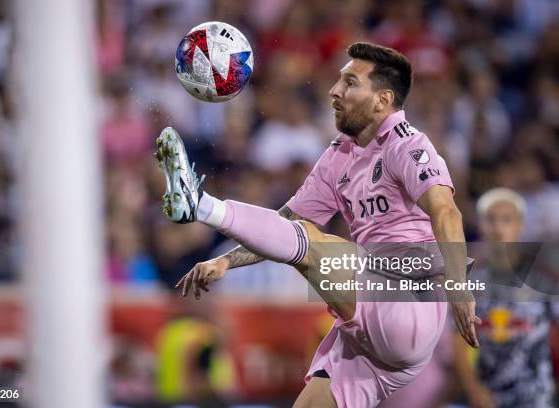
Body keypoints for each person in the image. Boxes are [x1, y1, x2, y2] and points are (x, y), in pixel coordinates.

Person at [156, 42, 479, 407]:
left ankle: (199, 204)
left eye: (350, 82)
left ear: (382, 99)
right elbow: (283, 226)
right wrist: (225, 262)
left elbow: (447, 212)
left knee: (310, 241)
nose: (334, 90)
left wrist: (460, 291)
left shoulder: (408, 146)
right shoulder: (339, 155)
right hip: (367, 344)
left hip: (408, 302)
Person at [454, 188, 559, 408]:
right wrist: (474, 389)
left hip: (536, 395)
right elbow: (456, 339)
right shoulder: (467, 281)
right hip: (487, 395)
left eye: (506, 220)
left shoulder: (544, 279)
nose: (498, 228)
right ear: (480, 225)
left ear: (520, 225)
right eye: (490, 219)